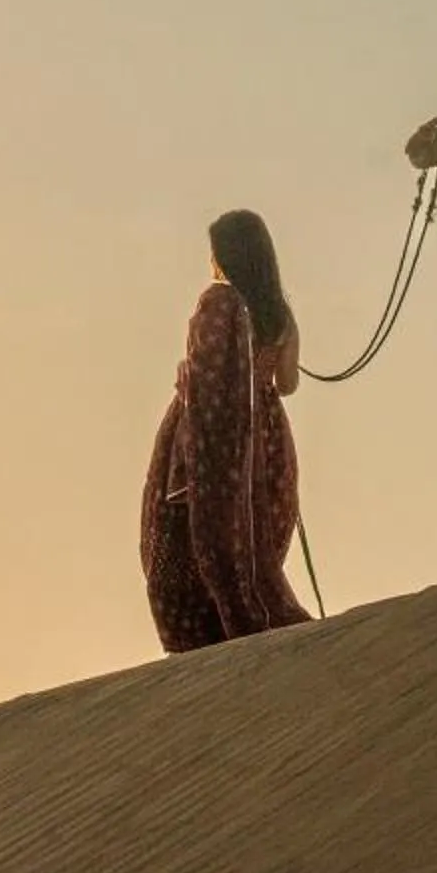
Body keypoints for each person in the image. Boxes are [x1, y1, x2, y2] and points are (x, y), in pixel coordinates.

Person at [139, 208, 314, 652]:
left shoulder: (217, 303)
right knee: (254, 546)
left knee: (188, 547)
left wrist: (192, 381)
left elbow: (207, 374)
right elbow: (287, 385)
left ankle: (216, 645)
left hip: (211, 437)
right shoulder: (281, 316)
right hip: (266, 438)